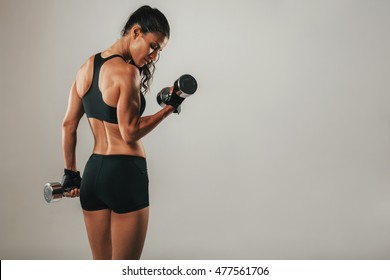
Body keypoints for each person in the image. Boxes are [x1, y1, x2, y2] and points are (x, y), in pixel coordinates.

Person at [61, 5, 185, 260]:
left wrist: (71, 175)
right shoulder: (127, 73)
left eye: (159, 51)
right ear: (136, 32)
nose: (154, 56)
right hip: (125, 175)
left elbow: (68, 125)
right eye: (153, 46)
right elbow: (129, 133)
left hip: (94, 175)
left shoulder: (85, 67)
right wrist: (169, 109)